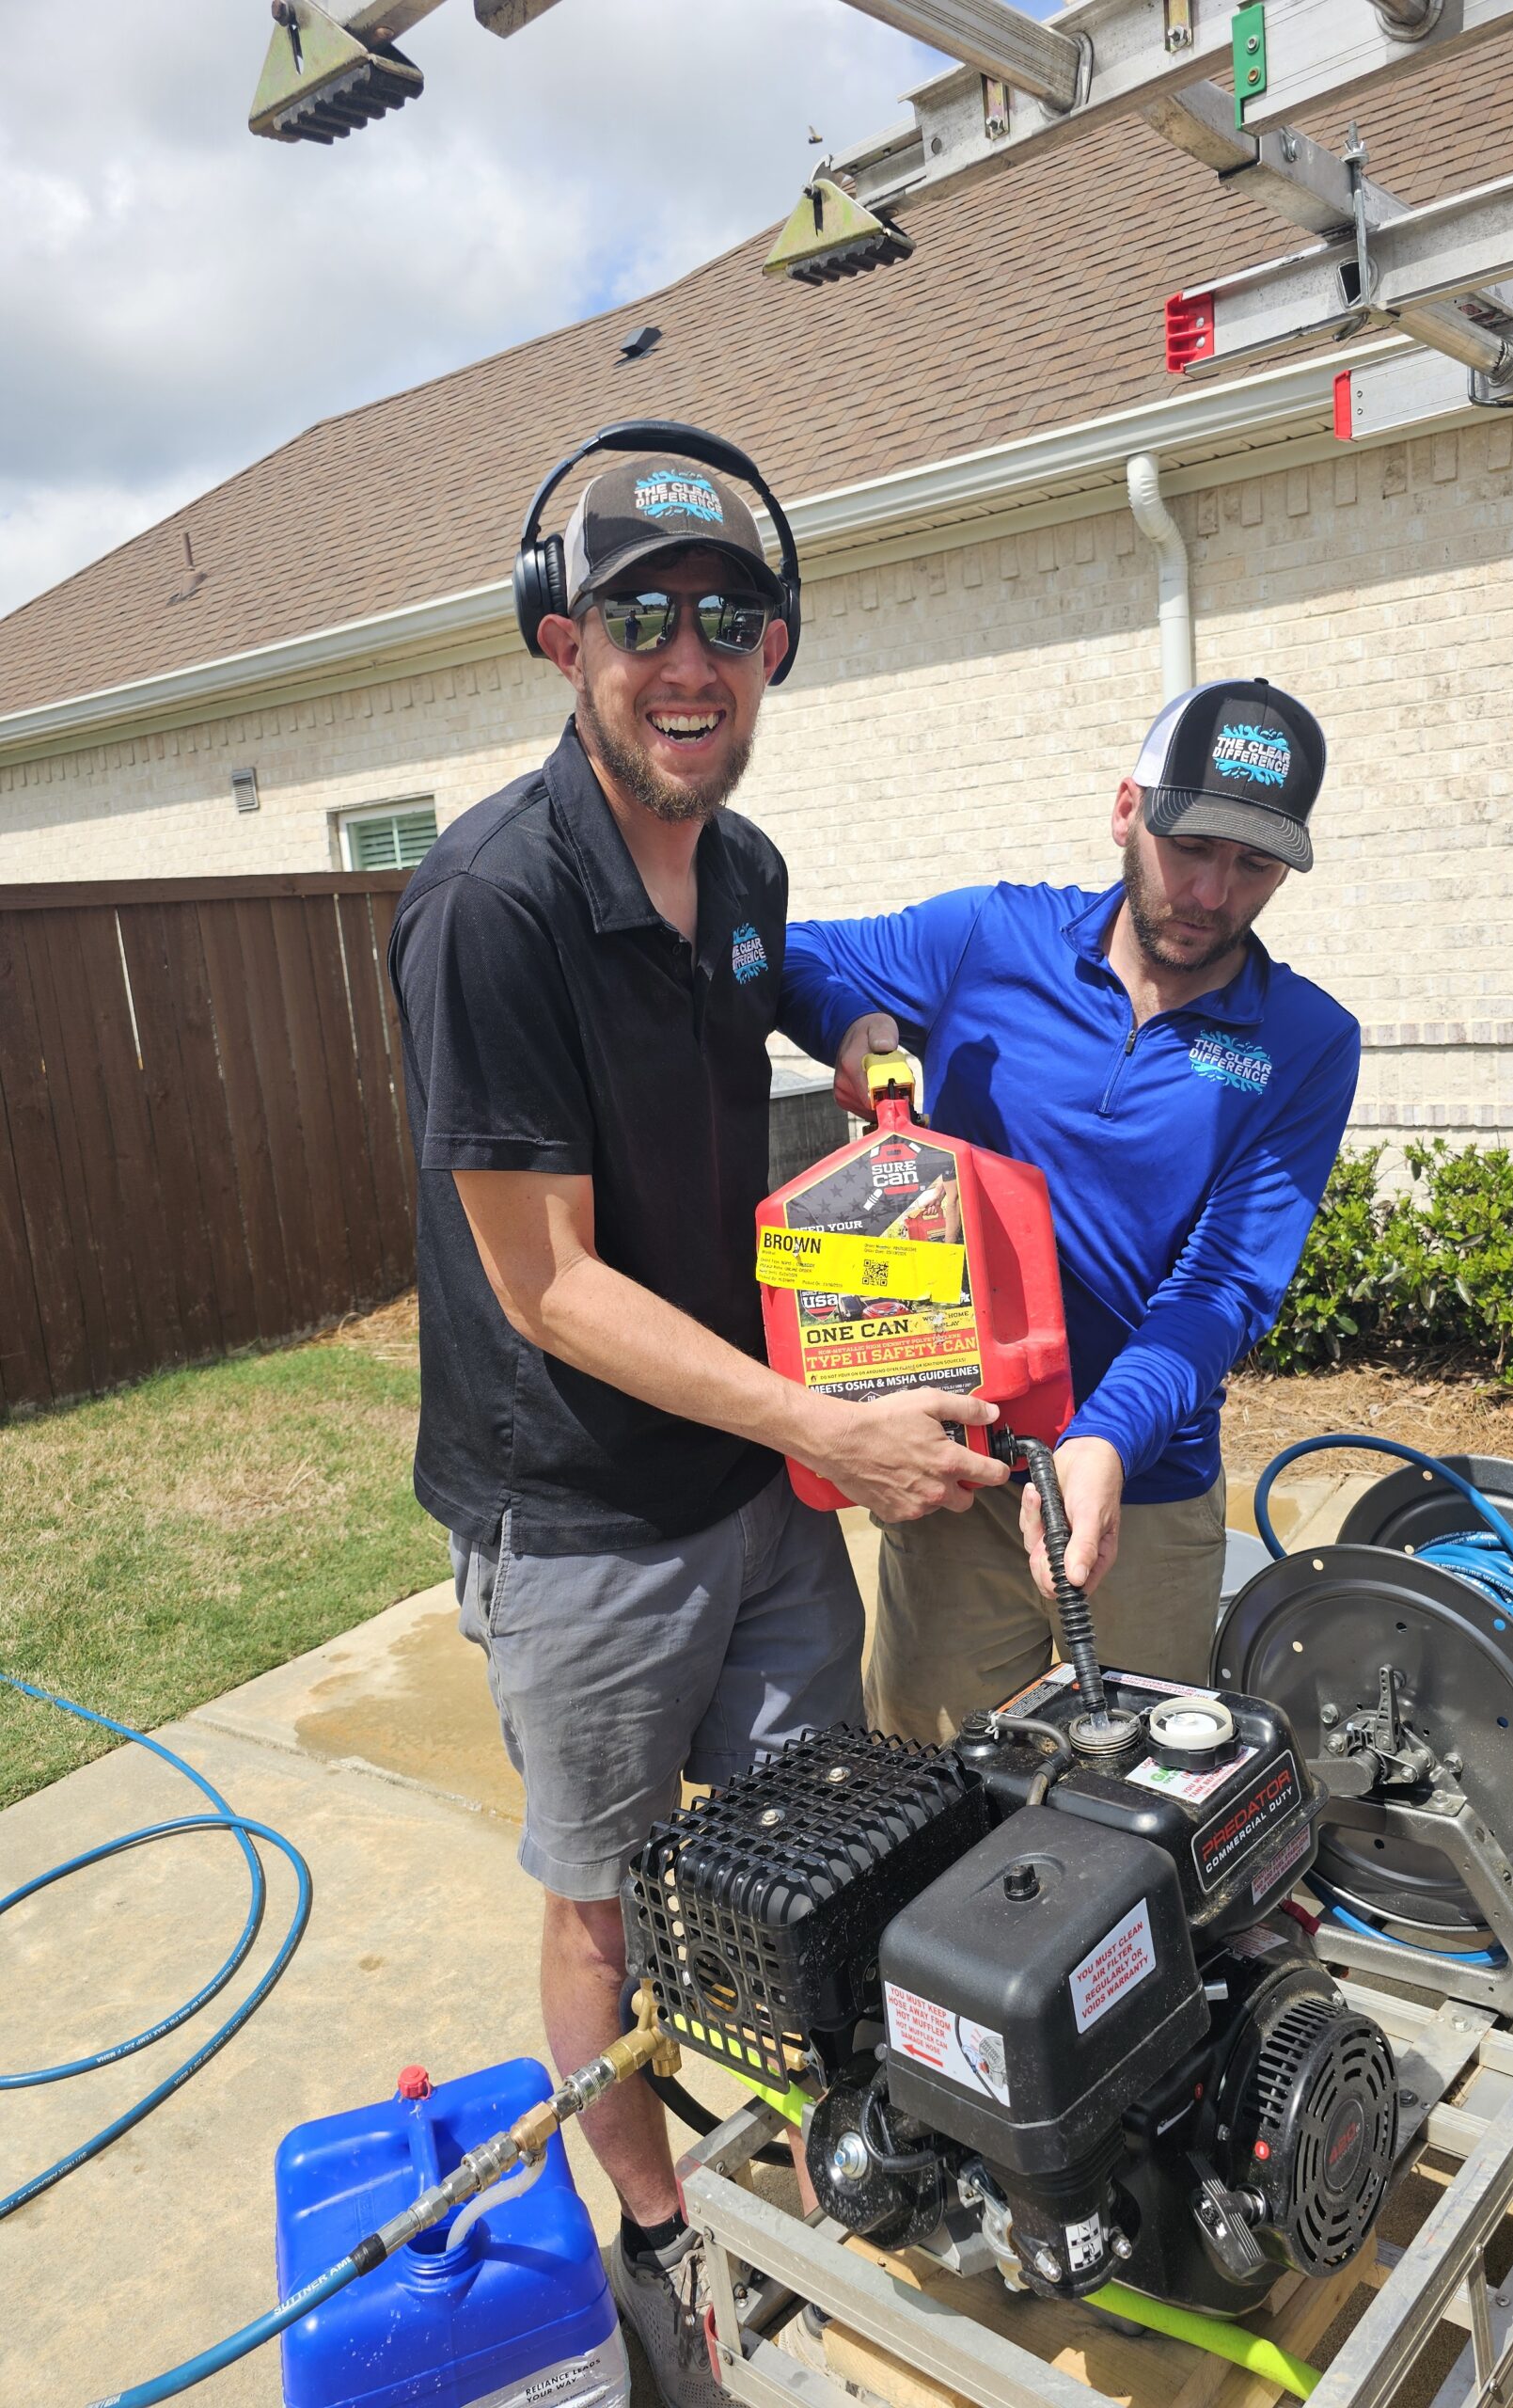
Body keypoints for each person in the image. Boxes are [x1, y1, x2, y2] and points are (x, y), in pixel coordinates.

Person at [388, 439, 1008, 2408]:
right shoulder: (487, 905)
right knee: (598, 1885)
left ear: (777, 649)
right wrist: (834, 1426)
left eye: (727, 621)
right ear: (561, 641)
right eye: (641, 617)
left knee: (815, 1823)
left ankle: (829, 2142)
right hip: (571, 1516)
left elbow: (751, 992)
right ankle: (664, 2230)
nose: (688, 659)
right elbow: (546, 1284)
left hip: (745, 1486)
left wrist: (851, 1036)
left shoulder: (741, 872)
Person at [780, 677, 1359, 1742]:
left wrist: (1104, 1440)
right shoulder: (989, 939)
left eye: (1255, 864)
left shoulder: (1304, 1040)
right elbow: (789, 951)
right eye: (1192, 845)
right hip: (958, 1469)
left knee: (1128, 1810)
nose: (1214, 892)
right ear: (1128, 809)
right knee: (930, 1783)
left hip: (1143, 1487)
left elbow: (1222, 1285)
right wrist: (851, 1024)